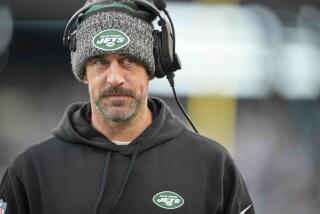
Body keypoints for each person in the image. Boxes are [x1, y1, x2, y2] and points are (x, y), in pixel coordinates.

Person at [0, 0, 255, 213]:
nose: (115, 78)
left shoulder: (212, 167)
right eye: (100, 61)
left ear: (153, 65)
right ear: (83, 73)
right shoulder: (30, 172)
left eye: (129, 60)